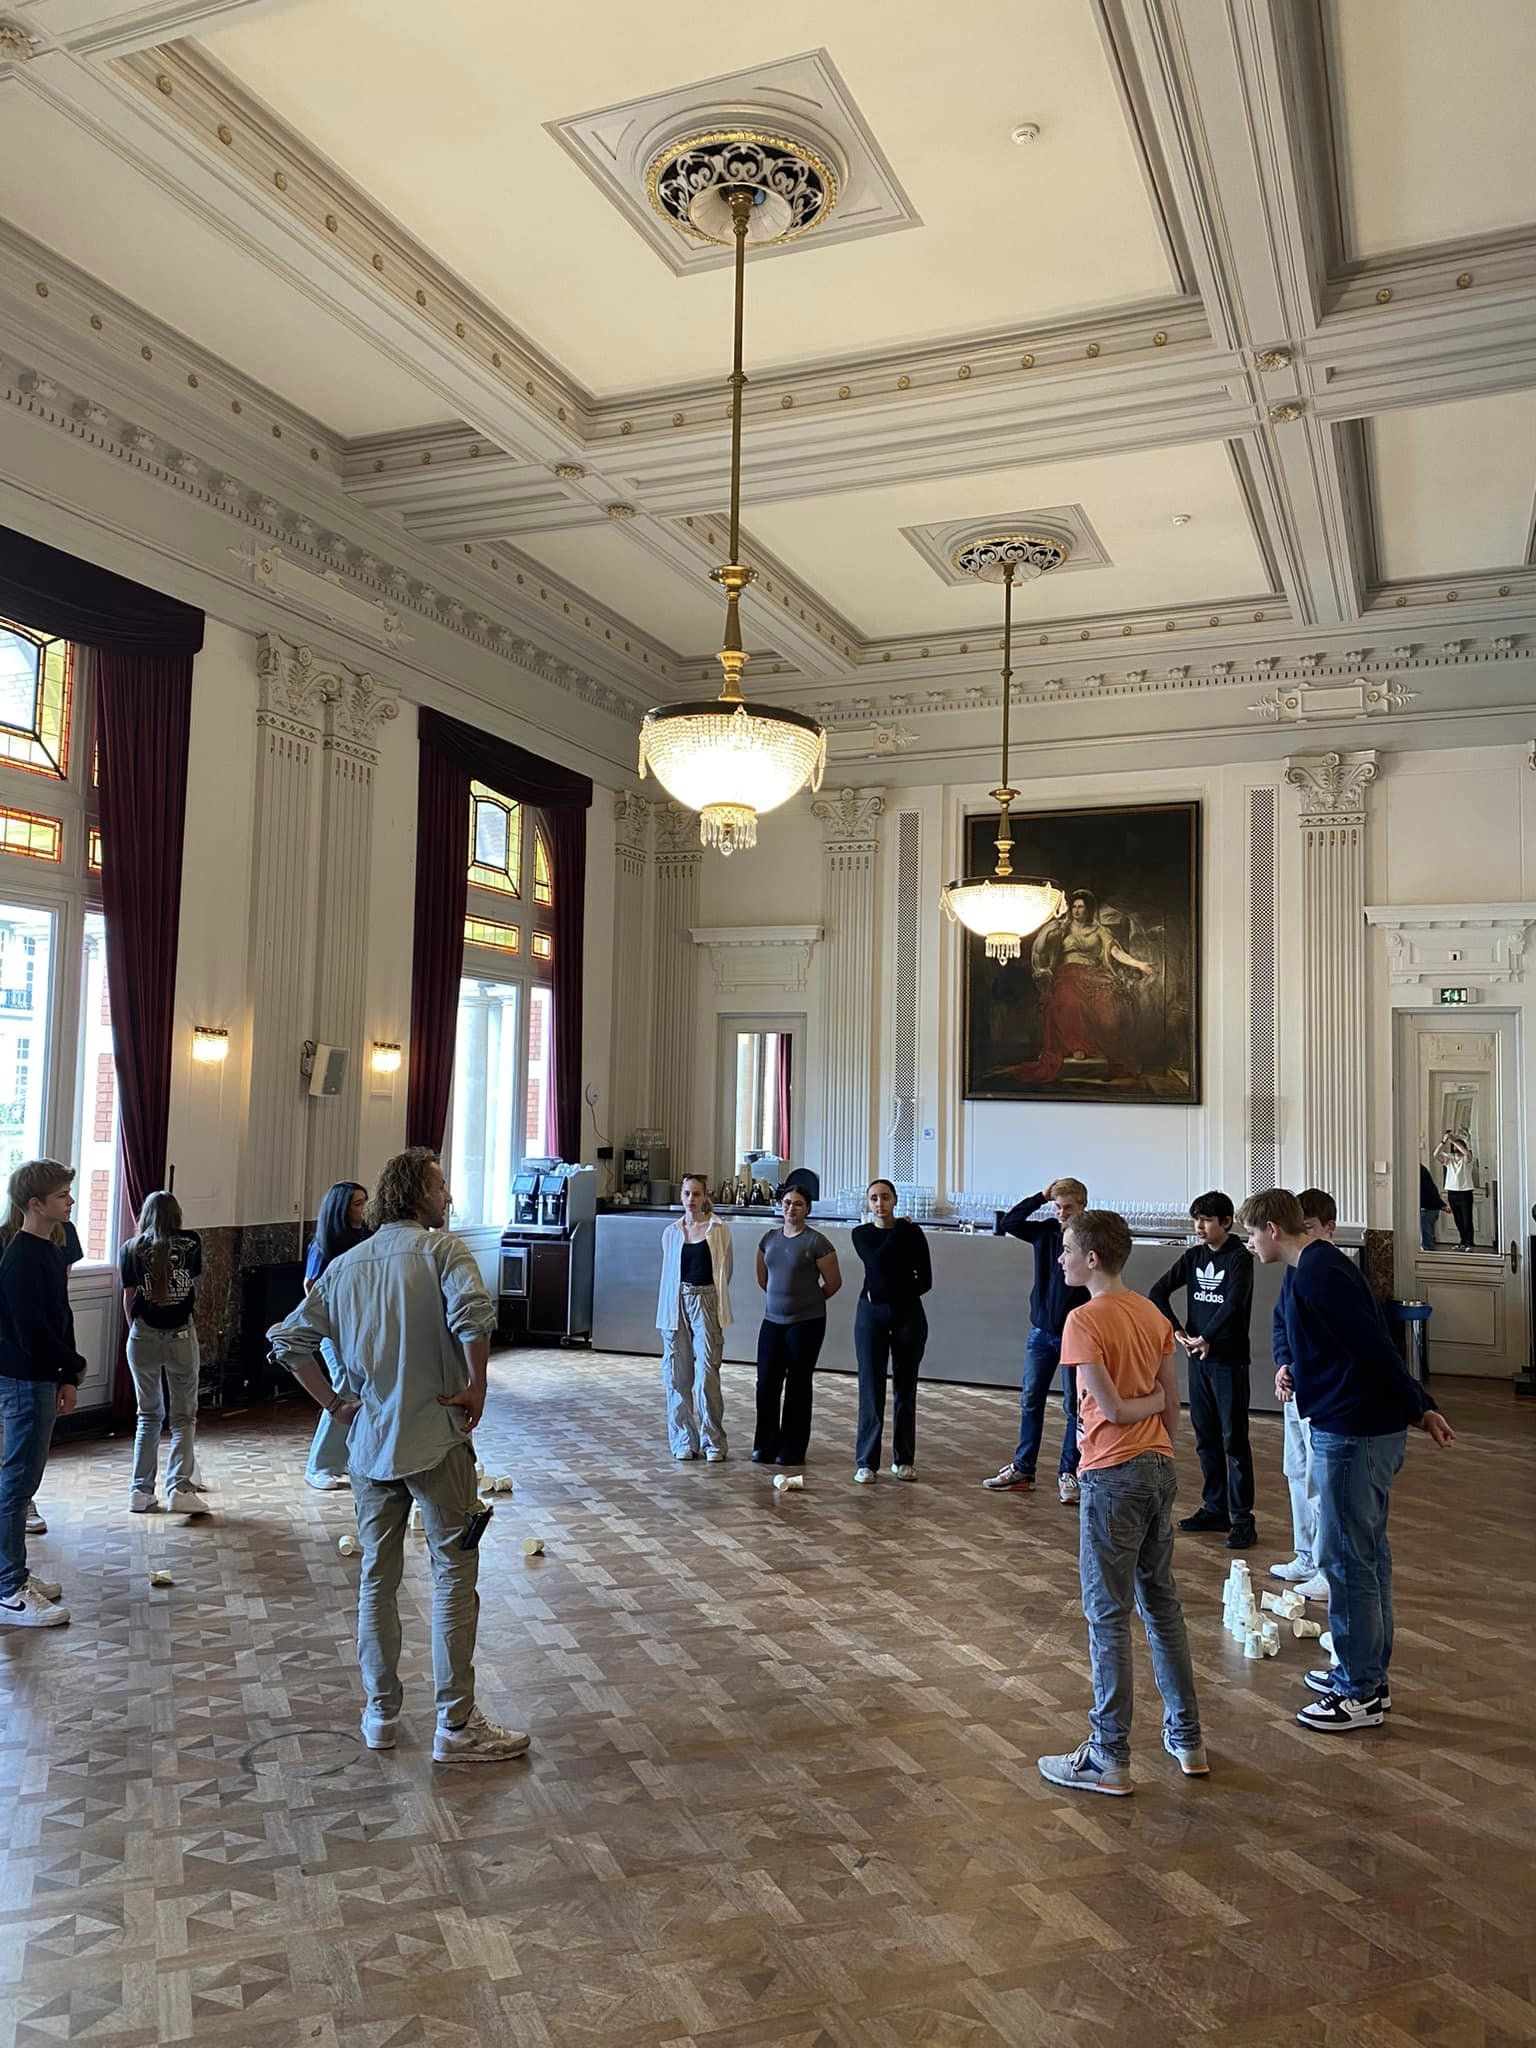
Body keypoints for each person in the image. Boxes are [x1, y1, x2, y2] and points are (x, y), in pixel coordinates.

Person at [267, 1147, 527, 1764]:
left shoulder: (345, 1266)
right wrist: (478, 1386)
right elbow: (474, 1316)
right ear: (416, 1194)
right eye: (440, 1187)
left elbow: (287, 1340)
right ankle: (455, 1724)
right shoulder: (443, 1252)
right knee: (453, 1575)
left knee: (376, 1580)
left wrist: (335, 1404)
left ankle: (379, 1713)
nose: (448, 1198)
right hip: (437, 1438)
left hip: (369, 1444)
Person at [1240, 1187, 1455, 1733]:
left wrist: (1420, 1406)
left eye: (1251, 1233)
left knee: (1347, 1562)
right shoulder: (1312, 1268)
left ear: (1272, 1229)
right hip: (1352, 1425)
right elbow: (1338, 1345)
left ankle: (1359, 1691)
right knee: (1366, 1556)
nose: (1250, 1243)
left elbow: (1375, 1347)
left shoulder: (1321, 1272)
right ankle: (1366, 1676)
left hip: (1354, 1431)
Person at [1037, 1208, 1205, 1794]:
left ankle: (1108, 1755)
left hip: (1111, 1475)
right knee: (1162, 1606)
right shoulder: (1153, 1314)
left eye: (1066, 1249)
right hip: (1159, 1468)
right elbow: (1170, 1407)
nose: (1060, 1258)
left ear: (1092, 1259)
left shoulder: (1084, 1320)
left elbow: (1108, 1410)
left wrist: (1137, 1415)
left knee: (1107, 1614)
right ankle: (1187, 1738)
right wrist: (1153, 1416)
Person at [0, 1161, 86, 1627]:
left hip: (42, 1377)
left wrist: (68, 1374)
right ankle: (8, 1588)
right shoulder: (20, 1259)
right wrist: (72, 1364)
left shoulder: (48, 1250)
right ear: (35, 1204)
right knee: (16, 1486)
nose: (70, 1201)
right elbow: (31, 1332)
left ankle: (13, 1574)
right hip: (24, 1379)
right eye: (62, 1195)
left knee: (23, 1483)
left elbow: (61, 1317)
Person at [1149, 1191, 1256, 1549]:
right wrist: (1178, 1330)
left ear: (1226, 1222)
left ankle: (1242, 1519)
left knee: (1234, 1440)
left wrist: (1207, 1336)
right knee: (1205, 1437)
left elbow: (1233, 1304)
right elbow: (1158, 1291)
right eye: (1196, 1219)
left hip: (1228, 1361)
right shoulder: (1194, 1256)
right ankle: (1215, 1508)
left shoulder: (1239, 1258)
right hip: (1198, 1360)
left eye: (1207, 1220)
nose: (1199, 1226)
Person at [982, 1177, 1089, 1502]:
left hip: (1075, 1333)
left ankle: (1069, 1472)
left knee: (1073, 1406)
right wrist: (1040, 1197)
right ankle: (1024, 1468)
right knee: (1031, 1399)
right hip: (1041, 1332)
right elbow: (1010, 1222)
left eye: (1068, 1207)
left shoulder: (1090, 1239)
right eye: (1057, 1207)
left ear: (1082, 1206)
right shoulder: (1045, 1232)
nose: (1061, 1213)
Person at [1267, 1187, 1340, 1600]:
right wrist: (1283, 1363)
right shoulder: (1296, 1270)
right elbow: (1282, 1321)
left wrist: (1298, 1368)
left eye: (1308, 1227)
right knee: (1296, 1472)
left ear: (1328, 1228)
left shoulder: (1329, 1271)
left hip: (1318, 1392)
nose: (1302, 1235)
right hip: (1293, 1387)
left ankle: (1328, 1568)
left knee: (1318, 1480)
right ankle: (1305, 1554)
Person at [120, 1191, 206, 1516]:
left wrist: (137, 1330)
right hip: (180, 1334)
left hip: (143, 1335)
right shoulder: (191, 1243)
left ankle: (140, 1491)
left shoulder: (130, 1248)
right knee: (183, 1416)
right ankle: (180, 1487)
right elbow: (194, 1285)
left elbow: (128, 1298)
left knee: (148, 1415)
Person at [1013, 891, 1156, 1085]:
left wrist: (1139, 964)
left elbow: (1116, 952)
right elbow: (1039, 949)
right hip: (1068, 974)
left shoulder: (1099, 931)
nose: (1077, 910)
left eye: (1081, 907)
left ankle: (1099, 1049)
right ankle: (1076, 1046)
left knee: (1111, 1004)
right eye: (1074, 907)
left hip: (1094, 975)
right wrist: (1046, 932)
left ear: (1088, 910)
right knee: (1068, 999)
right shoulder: (1062, 929)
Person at [851, 1179, 932, 1483]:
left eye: (885, 1197)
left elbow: (925, 1279)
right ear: (868, 1203)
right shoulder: (861, 1234)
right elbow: (877, 1261)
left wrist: (897, 1294)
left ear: (895, 1200)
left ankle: (904, 1459)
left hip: (907, 1314)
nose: (880, 1203)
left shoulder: (914, 1233)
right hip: (870, 1315)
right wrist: (899, 1230)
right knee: (870, 1386)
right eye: (874, 1198)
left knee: (905, 1387)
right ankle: (866, 1462)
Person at [753, 1188, 840, 1466]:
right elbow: (763, 1279)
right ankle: (765, 1445)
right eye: (787, 1203)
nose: (791, 1208)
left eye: (798, 1204)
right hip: (772, 1321)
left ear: (807, 1209)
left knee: (798, 1385)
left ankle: (792, 1448)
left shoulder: (817, 1242)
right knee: (766, 1383)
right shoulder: (769, 1239)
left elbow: (833, 1283)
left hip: (806, 1323)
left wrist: (806, 1302)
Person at [656, 1174, 732, 1462]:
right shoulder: (671, 1232)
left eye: (696, 1194)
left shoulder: (718, 1229)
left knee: (707, 1374)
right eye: (687, 1193)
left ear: (704, 1197)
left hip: (706, 1301)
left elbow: (725, 1270)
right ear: (681, 1196)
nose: (691, 1199)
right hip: (675, 1303)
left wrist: (711, 1299)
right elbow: (669, 1272)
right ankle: (684, 1440)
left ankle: (714, 1441)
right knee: (677, 1374)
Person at [303, 1181, 371, 1490]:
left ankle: (344, 1457)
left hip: (361, 1323)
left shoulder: (367, 1236)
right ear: (342, 1209)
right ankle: (320, 1464)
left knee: (357, 1387)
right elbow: (311, 1286)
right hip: (333, 1327)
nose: (364, 1208)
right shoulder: (323, 1245)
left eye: (365, 1201)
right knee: (343, 1385)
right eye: (358, 1203)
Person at [1434, 1133, 1476, 1250]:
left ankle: (1469, 1243)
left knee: (1467, 1219)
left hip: (1465, 1192)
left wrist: (1453, 1141)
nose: (1456, 1148)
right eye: (1454, 1147)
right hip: (1452, 1192)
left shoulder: (1467, 1158)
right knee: (1458, 1219)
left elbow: (1466, 1153)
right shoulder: (1449, 1158)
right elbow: (1435, 1154)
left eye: (1458, 1146)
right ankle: (1463, 1241)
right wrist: (1444, 1141)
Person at [1418, 1163, 1450, 1253]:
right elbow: (1431, 1189)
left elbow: (1427, 1191)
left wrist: (1441, 1204)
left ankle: (1427, 1256)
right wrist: (1441, 1204)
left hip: (1427, 1208)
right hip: (1431, 1207)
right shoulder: (1422, 1170)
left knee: (1426, 1240)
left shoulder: (1417, 1171)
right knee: (1427, 1236)